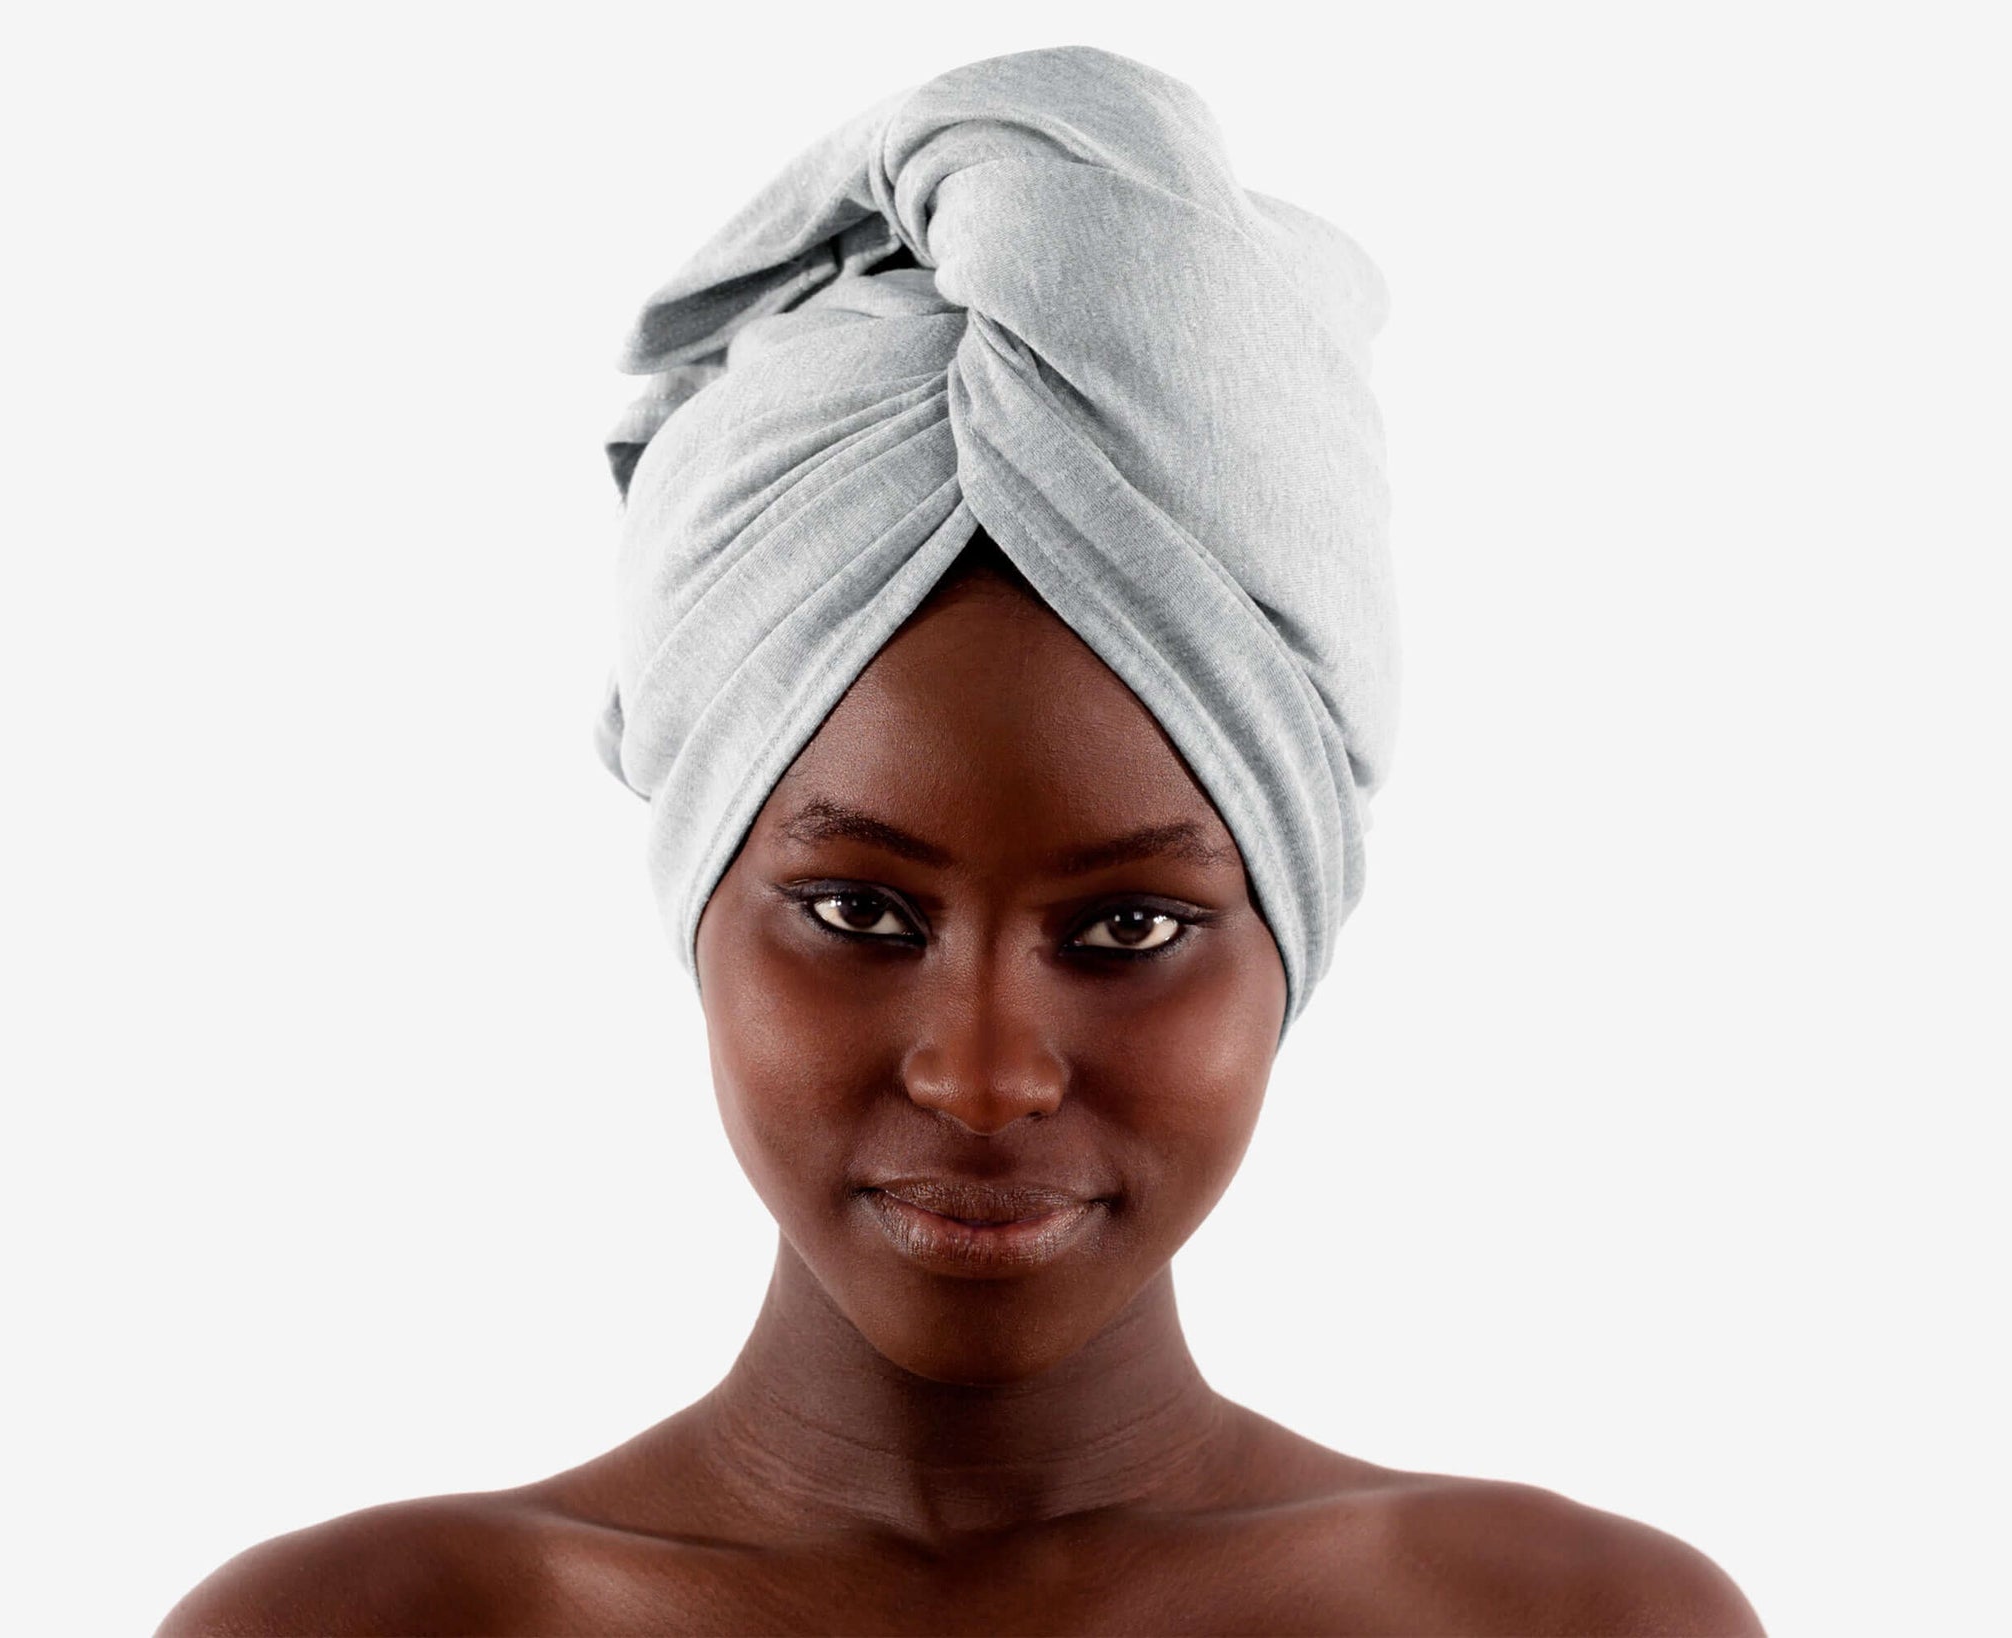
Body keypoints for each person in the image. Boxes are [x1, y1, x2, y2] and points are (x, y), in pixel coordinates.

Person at [159, 46, 1765, 1637]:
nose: (985, 1077)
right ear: (699, 897)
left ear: (1296, 930)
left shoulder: (1576, 1620)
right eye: (859, 910)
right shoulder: (364, 1624)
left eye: (1129, 926)